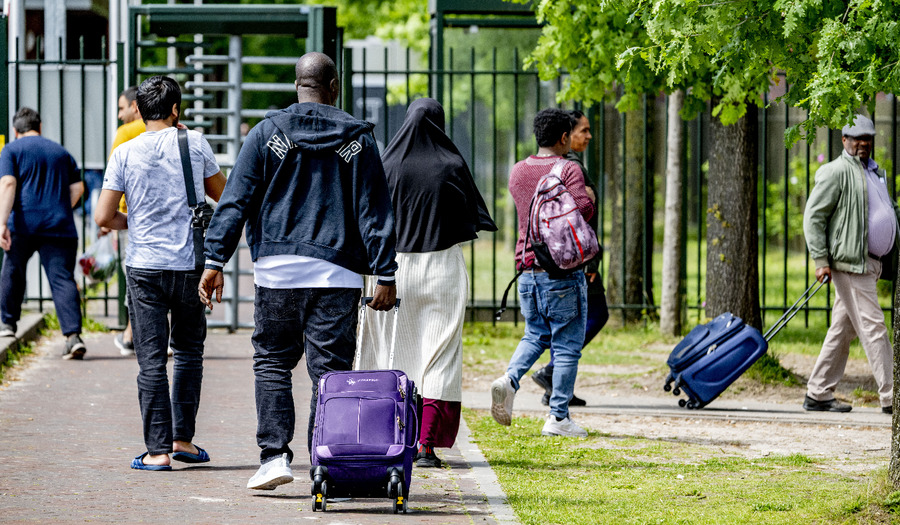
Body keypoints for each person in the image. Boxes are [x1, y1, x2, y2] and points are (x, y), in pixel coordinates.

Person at [198, 52, 398, 491]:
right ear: (334, 87)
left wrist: (215, 260)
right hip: (338, 273)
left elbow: (235, 200)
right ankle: (324, 465)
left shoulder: (266, 134)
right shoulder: (359, 139)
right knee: (330, 374)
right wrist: (385, 272)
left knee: (272, 361)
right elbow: (375, 212)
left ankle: (274, 458)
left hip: (277, 271)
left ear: (297, 85)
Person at [94, 76, 227, 470]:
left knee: (150, 360)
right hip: (189, 266)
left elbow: (103, 216)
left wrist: (132, 222)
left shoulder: (124, 151)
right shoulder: (195, 143)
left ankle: (157, 452)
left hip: (144, 267)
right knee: (188, 353)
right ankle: (183, 439)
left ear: (138, 110)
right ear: (174, 109)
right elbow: (225, 196)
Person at [358, 98, 497, 468]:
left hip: (392, 272)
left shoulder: (386, 164)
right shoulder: (451, 164)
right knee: (439, 355)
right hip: (441, 268)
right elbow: (470, 219)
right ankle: (425, 446)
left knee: (391, 353)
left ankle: (388, 438)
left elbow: (369, 218)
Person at [490, 108, 595, 438]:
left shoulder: (518, 170)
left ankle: (509, 380)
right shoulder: (569, 169)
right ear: (564, 138)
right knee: (566, 346)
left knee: (534, 334)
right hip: (561, 271)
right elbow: (583, 210)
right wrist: (590, 197)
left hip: (526, 268)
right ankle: (558, 417)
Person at [803, 114, 899, 415]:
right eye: (857, 138)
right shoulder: (835, 172)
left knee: (843, 329)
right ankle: (892, 396)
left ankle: (818, 393)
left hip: (871, 263)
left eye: (867, 138)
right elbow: (813, 217)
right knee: (874, 327)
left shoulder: (874, 172)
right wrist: (820, 260)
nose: (863, 143)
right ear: (844, 140)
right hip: (851, 263)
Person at [531, 109, 608, 407]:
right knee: (595, 315)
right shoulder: (571, 167)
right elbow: (578, 216)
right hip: (578, 256)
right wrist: (590, 262)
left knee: (568, 319)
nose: (589, 136)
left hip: (565, 255)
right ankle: (552, 372)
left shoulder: (561, 165)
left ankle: (557, 387)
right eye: (583, 130)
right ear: (566, 135)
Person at [0, 107, 87, 359]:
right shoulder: (61, 152)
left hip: (23, 224)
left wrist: (2, 222)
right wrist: (59, 208)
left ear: (15, 130)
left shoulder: (11, 150)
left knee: (13, 270)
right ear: (39, 127)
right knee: (62, 279)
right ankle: (73, 337)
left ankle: (7, 324)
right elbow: (78, 188)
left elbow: (8, 183)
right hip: (59, 226)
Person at [106, 85, 146, 357]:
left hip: (130, 217)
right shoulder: (177, 132)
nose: (120, 115)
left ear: (135, 106)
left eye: (122, 108)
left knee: (135, 277)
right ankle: (134, 334)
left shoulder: (126, 133)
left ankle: (132, 335)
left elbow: (113, 179)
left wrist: (107, 219)